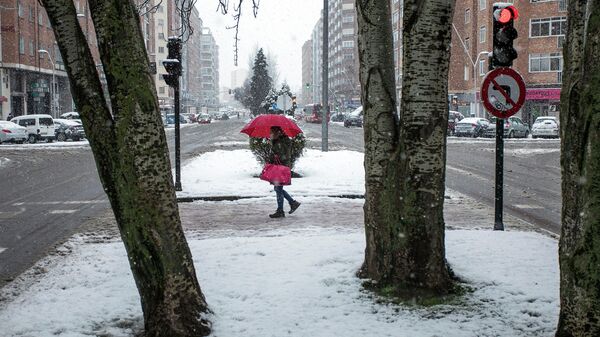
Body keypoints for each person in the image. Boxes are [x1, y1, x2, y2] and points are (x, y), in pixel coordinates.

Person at [268, 126, 300, 218]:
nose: (270, 134)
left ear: (277, 133)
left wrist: (274, 144)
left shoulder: (281, 142)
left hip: (281, 168)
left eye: (272, 132)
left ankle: (281, 210)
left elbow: (281, 155)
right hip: (281, 168)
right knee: (278, 189)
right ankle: (292, 203)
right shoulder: (280, 141)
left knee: (278, 189)